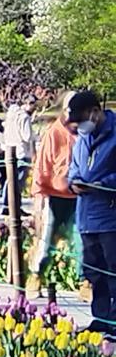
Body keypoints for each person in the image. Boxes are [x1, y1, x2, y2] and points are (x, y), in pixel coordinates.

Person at [66, 89, 116, 334]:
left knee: (113, 271)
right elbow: (73, 168)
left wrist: (101, 185)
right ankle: (101, 319)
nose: (79, 126)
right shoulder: (82, 139)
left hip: (110, 216)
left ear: (95, 112)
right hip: (86, 216)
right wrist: (73, 182)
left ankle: (114, 323)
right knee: (94, 273)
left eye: (82, 119)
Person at [27, 91, 78, 297]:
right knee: (45, 242)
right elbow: (42, 165)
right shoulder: (54, 132)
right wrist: (38, 193)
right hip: (54, 195)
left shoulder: (84, 132)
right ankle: (36, 275)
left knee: (83, 241)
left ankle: (86, 282)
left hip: (78, 196)